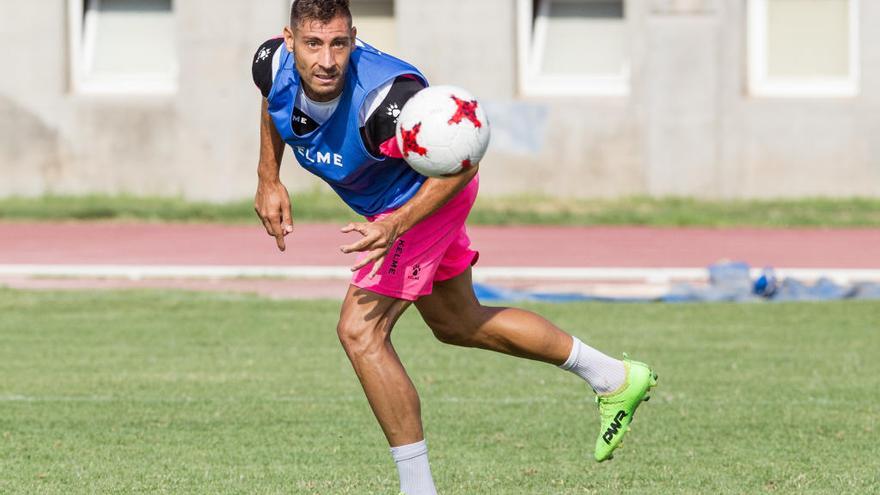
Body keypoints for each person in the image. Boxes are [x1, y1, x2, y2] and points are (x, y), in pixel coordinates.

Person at [252, 1, 657, 493]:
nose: (327, 60)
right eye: (313, 44)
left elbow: (462, 164)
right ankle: (613, 377)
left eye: (339, 43)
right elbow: (274, 103)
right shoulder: (271, 64)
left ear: (354, 38)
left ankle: (418, 489)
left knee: (360, 333)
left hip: (423, 201)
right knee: (457, 323)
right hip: (392, 212)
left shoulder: (388, 100)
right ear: (289, 40)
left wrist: (397, 223)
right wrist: (268, 177)